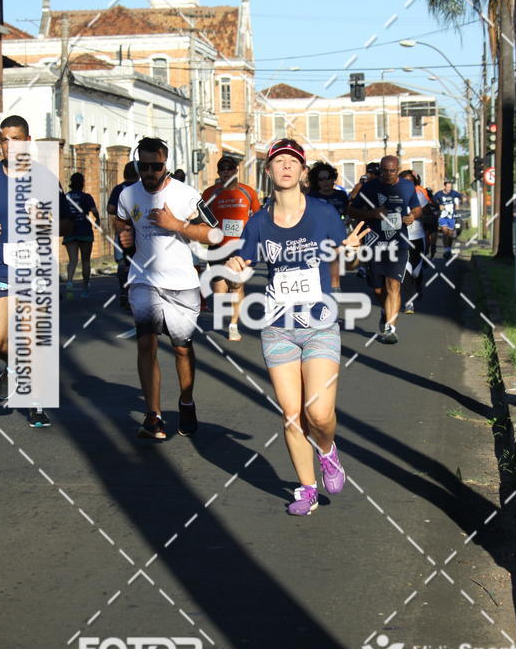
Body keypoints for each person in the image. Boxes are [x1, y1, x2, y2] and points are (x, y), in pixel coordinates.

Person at [226, 138, 369, 517]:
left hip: (319, 324)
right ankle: (307, 489)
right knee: (292, 415)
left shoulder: (323, 214)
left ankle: (327, 450)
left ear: (303, 172)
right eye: (279, 161)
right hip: (278, 327)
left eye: (293, 161)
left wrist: (352, 253)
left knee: (318, 414)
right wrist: (235, 268)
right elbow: (240, 267)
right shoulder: (258, 222)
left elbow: (348, 261)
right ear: (269, 170)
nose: (286, 166)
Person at [115, 137, 221, 441]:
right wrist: (124, 236)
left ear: (166, 165)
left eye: (156, 166)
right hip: (144, 280)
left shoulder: (186, 195)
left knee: (181, 348)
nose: (150, 172)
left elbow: (213, 234)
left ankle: (186, 402)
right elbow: (121, 222)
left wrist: (177, 225)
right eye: (144, 166)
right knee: (146, 344)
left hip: (181, 284)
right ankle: (154, 417)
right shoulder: (128, 194)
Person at [0, 115, 74, 426]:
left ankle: (36, 402)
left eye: (15, 139)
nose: (9, 145)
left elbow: (68, 224)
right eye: (4, 139)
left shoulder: (43, 179)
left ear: (28, 141)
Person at [348, 155, 421, 344]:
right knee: (378, 288)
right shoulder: (369, 187)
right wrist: (372, 214)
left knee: (393, 285)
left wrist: (412, 216)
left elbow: (417, 208)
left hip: (398, 243)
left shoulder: (407, 186)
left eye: (392, 171)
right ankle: (384, 310)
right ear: (380, 170)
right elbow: (352, 210)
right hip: (374, 243)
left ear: (398, 170)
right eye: (385, 171)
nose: (388, 174)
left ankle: (390, 329)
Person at [202, 156, 261, 341]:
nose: (226, 171)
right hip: (218, 246)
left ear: (236, 170)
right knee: (220, 291)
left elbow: (258, 217)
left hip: (241, 247)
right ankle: (224, 314)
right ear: (218, 172)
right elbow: (200, 216)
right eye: (222, 169)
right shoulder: (210, 193)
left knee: (236, 285)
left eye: (229, 168)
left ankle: (233, 325)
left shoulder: (248, 192)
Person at [307, 162, 349, 292]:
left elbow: (347, 213)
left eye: (328, 178)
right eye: (321, 179)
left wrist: (346, 220)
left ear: (333, 179)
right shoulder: (312, 196)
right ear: (317, 182)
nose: (325, 181)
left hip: (338, 234)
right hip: (318, 236)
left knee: (335, 265)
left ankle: (335, 290)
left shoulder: (341, 195)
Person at [63, 173, 100, 299]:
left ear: (71, 183)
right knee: (86, 261)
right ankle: (85, 288)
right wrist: (98, 219)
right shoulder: (86, 197)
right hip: (85, 231)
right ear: (82, 183)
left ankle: (69, 282)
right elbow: (94, 211)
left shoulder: (66, 197)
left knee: (72, 260)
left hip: (70, 231)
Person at [107, 162, 139, 308]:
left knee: (123, 263)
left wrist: (122, 210)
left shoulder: (119, 189)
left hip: (123, 229)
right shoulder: (141, 188)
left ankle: (125, 292)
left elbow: (110, 208)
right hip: (140, 230)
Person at [398, 170, 428, 313]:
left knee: (415, 272)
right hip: (401, 238)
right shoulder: (393, 196)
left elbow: (425, 213)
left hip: (417, 237)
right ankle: (409, 303)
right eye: (404, 181)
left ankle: (418, 284)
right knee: (406, 270)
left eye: (410, 181)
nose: (407, 183)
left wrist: (415, 215)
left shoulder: (419, 195)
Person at [433, 180, 464, 260]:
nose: (449, 189)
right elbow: (433, 200)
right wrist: (439, 205)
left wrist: (459, 203)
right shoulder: (439, 194)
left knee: (450, 233)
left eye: (450, 187)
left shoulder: (453, 193)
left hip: (451, 216)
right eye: (447, 187)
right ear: (444, 186)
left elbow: (461, 197)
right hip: (443, 216)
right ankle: (446, 250)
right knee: (445, 232)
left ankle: (449, 249)